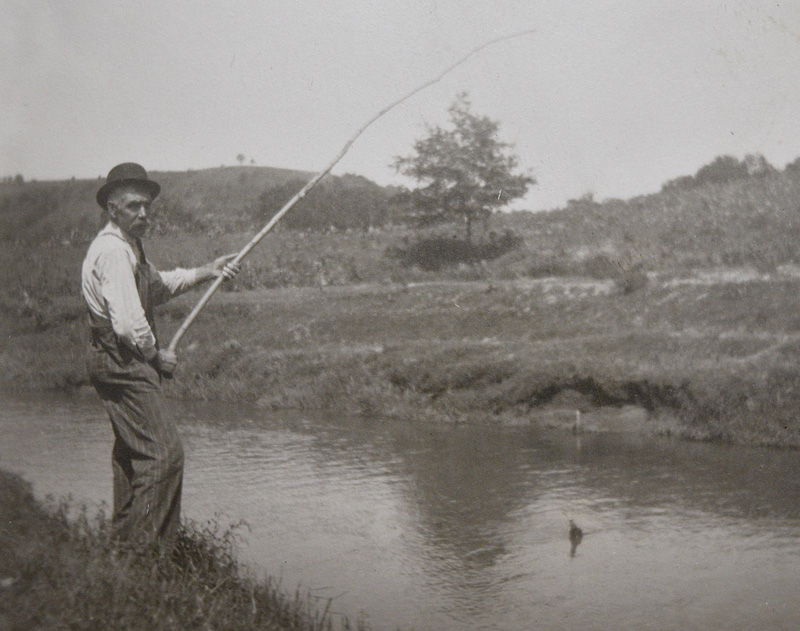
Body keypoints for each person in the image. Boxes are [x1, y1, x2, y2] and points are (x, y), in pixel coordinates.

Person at [81, 162, 240, 544]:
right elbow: (127, 324)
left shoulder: (129, 245)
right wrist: (156, 358)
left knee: (132, 455)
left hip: (114, 359)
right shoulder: (113, 251)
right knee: (164, 455)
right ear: (113, 209)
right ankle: (146, 561)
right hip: (122, 361)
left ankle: (121, 551)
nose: (143, 213)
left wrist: (207, 271)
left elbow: (158, 287)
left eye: (147, 206)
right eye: (133, 206)